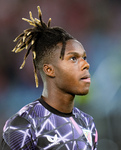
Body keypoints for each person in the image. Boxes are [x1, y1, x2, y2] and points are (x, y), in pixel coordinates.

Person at [1, 6, 98, 150]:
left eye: (84, 57)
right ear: (49, 69)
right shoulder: (22, 125)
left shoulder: (87, 123)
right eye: (72, 59)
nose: (85, 65)